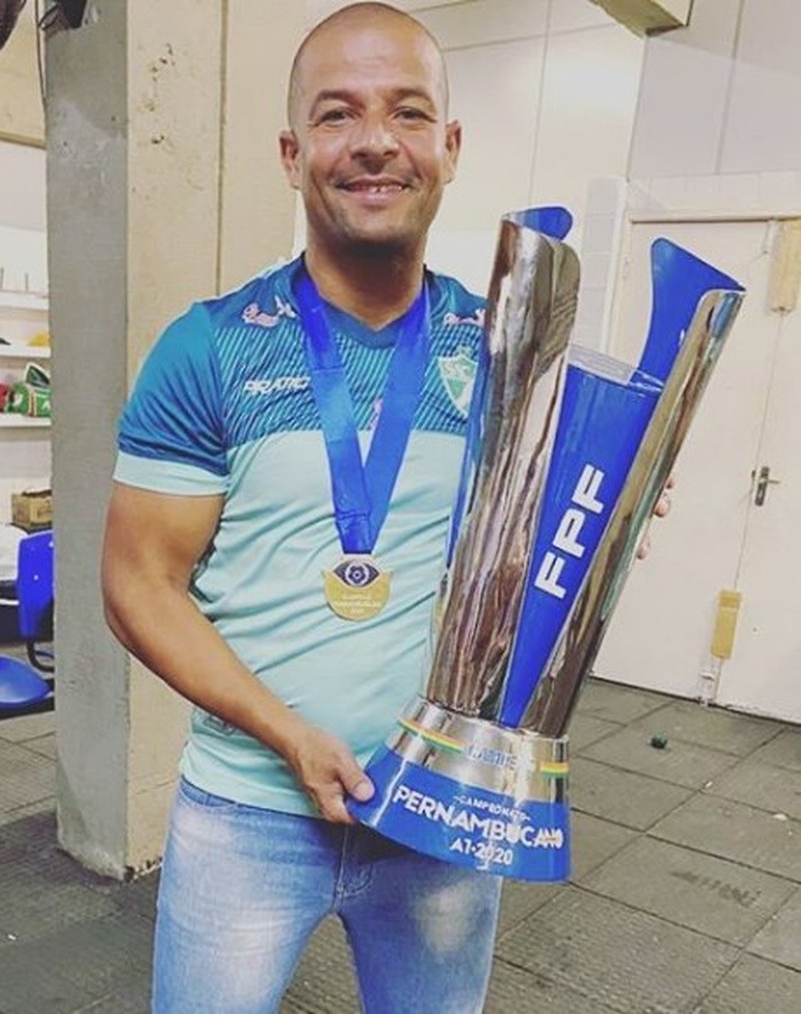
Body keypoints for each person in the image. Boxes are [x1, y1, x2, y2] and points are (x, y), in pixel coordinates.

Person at [101, 3, 668, 1010]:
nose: (374, 142)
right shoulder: (212, 348)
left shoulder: (509, 356)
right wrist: (287, 735)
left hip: (441, 818)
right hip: (247, 815)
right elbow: (138, 584)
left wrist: (605, 511)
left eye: (408, 113)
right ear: (291, 151)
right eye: (337, 115)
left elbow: (521, 566)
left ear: (449, 147)